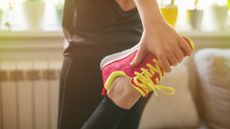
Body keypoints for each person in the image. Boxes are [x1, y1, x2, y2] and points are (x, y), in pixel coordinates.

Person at [57, 0, 193, 129]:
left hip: (87, 49)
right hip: (140, 62)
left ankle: (121, 92)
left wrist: (155, 23)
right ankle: (121, 94)